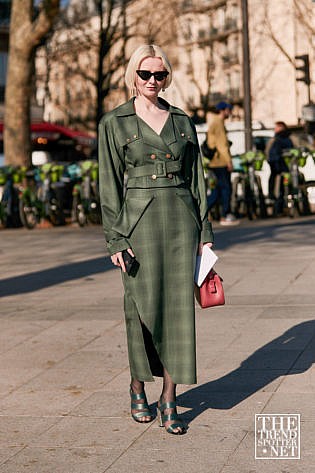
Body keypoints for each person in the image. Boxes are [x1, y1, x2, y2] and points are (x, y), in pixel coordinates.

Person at [98, 44, 214, 435]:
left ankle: (169, 396)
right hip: (138, 224)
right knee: (140, 311)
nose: (152, 81)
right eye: (145, 74)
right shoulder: (114, 122)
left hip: (181, 221)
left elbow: (197, 180)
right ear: (133, 75)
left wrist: (206, 236)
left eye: (159, 75)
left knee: (178, 311)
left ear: (167, 78)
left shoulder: (182, 121)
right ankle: (137, 383)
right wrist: (116, 240)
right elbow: (109, 186)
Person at [205, 101, 239, 225]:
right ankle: (225, 215)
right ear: (223, 110)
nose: (230, 112)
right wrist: (229, 161)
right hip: (220, 161)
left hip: (215, 161)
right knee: (226, 189)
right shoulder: (218, 123)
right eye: (229, 110)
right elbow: (222, 145)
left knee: (218, 190)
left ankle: (201, 212)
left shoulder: (215, 122)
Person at [267, 121, 293, 214]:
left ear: (281, 128)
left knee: (277, 187)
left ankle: (277, 207)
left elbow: (270, 153)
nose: (275, 129)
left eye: (276, 127)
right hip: (287, 166)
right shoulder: (289, 138)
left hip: (278, 167)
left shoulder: (276, 139)